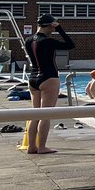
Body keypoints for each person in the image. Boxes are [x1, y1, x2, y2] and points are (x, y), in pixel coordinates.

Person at [22, 14, 74, 154]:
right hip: (48, 78)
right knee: (46, 114)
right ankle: (42, 147)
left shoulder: (28, 40)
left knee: (35, 114)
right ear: (51, 25)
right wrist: (60, 29)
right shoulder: (48, 41)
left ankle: (32, 146)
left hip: (33, 79)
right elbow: (70, 45)